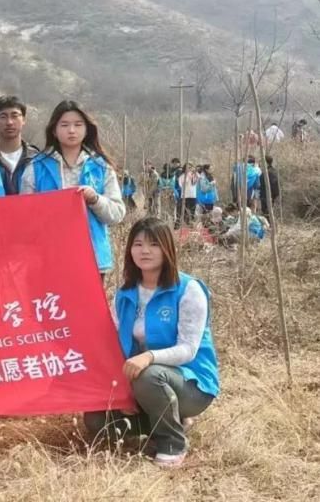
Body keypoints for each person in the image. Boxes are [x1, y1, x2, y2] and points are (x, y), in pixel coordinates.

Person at [84, 217, 219, 469]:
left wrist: (148, 357)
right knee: (95, 421)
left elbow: (188, 349)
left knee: (149, 376)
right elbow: (113, 344)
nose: (145, 251)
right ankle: (171, 419)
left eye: (154, 244)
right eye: (138, 244)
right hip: (141, 379)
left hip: (190, 383)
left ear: (167, 248)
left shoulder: (188, 290)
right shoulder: (125, 293)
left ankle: (172, 443)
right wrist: (123, 393)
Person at [20, 100, 125, 275]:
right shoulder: (36, 167)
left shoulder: (101, 167)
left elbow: (117, 214)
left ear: (87, 129)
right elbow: (24, 216)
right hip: (48, 259)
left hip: (92, 259)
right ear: (54, 130)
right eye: (64, 125)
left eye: (78, 124)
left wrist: (95, 200)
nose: (71, 130)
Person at [0, 95, 39, 191]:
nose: (9, 122)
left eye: (15, 116)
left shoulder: (35, 158)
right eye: (3, 117)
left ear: (24, 120)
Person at [259, 155, 280, 219]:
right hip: (272, 195)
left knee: (266, 212)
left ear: (265, 162)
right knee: (269, 211)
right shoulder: (274, 171)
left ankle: (268, 223)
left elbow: (261, 184)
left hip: (266, 195)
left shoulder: (266, 173)